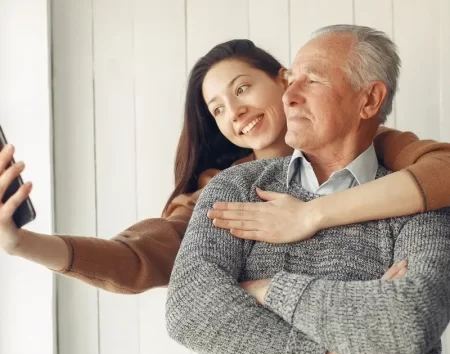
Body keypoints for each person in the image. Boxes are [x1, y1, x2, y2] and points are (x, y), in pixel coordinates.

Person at [166, 26, 450, 354]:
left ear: (369, 99)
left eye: (311, 80)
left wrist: (266, 290)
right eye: (290, 79)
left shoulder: (418, 202)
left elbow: (404, 323)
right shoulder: (237, 189)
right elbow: (189, 310)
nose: (288, 95)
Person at [0, 39, 448, 294]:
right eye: (216, 109)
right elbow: (136, 259)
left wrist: (312, 215)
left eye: (242, 88)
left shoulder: (378, 150)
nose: (233, 111)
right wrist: (23, 243)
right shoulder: (223, 195)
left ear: (283, 80)